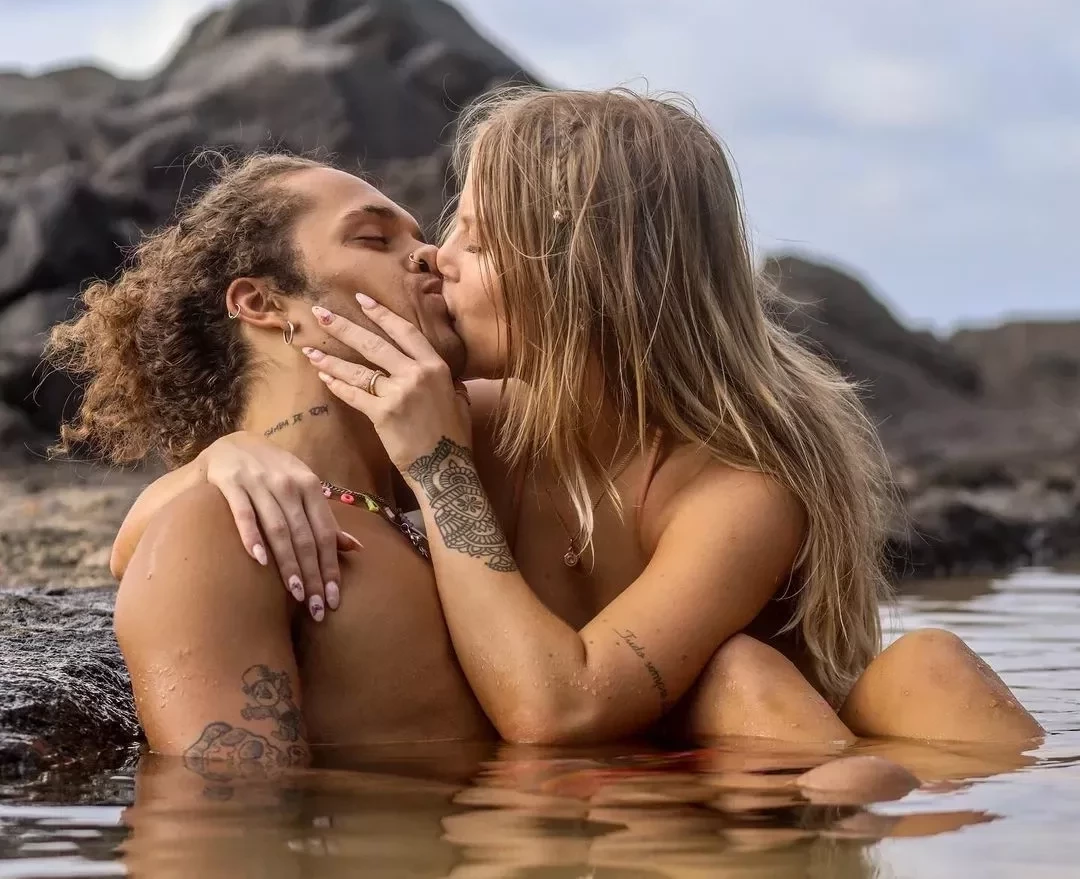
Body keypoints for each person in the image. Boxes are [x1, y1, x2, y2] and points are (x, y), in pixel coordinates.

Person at [113, 90, 1041, 755]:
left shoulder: (737, 488)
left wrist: (440, 468)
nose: (438, 257)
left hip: (733, 768)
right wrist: (230, 456)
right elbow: (165, 538)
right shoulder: (474, 418)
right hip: (587, 798)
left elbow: (559, 708)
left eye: (477, 238)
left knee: (863, 674)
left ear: (581, 273)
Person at [45, 154, 493, 794]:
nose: (431, 257)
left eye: (422, 237)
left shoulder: (429, 495)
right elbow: (222, 825)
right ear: (261, 302)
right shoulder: (227, 529)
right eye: (374, 238)